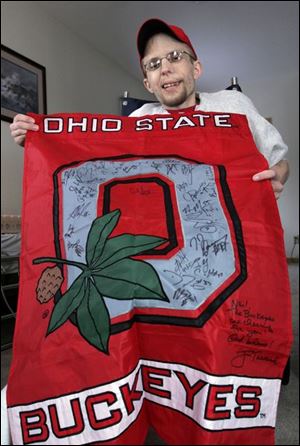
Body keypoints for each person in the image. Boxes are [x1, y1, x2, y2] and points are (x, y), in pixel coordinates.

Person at [9, 19, 289, 198]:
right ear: (148, 83)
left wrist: (277, 175)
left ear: (196, 67)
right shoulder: (139, 119)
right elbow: (94, 166)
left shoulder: (233, 105)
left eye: (175, 57)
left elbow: (280, 162)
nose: (165, 68)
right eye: (153, 64)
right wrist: (40, 141)